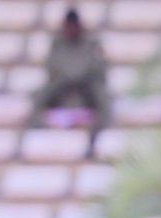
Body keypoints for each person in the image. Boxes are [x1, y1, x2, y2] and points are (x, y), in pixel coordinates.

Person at [27, 8, 109, 156]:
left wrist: (78, 76)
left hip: (86, 89)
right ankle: (38, 126)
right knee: (38, 95)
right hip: (61, 88)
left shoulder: (91, 43)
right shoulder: (57, 44)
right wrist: (67, 78)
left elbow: (99, 68)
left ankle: (98, 132)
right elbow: (51, 67)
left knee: (103, 95)